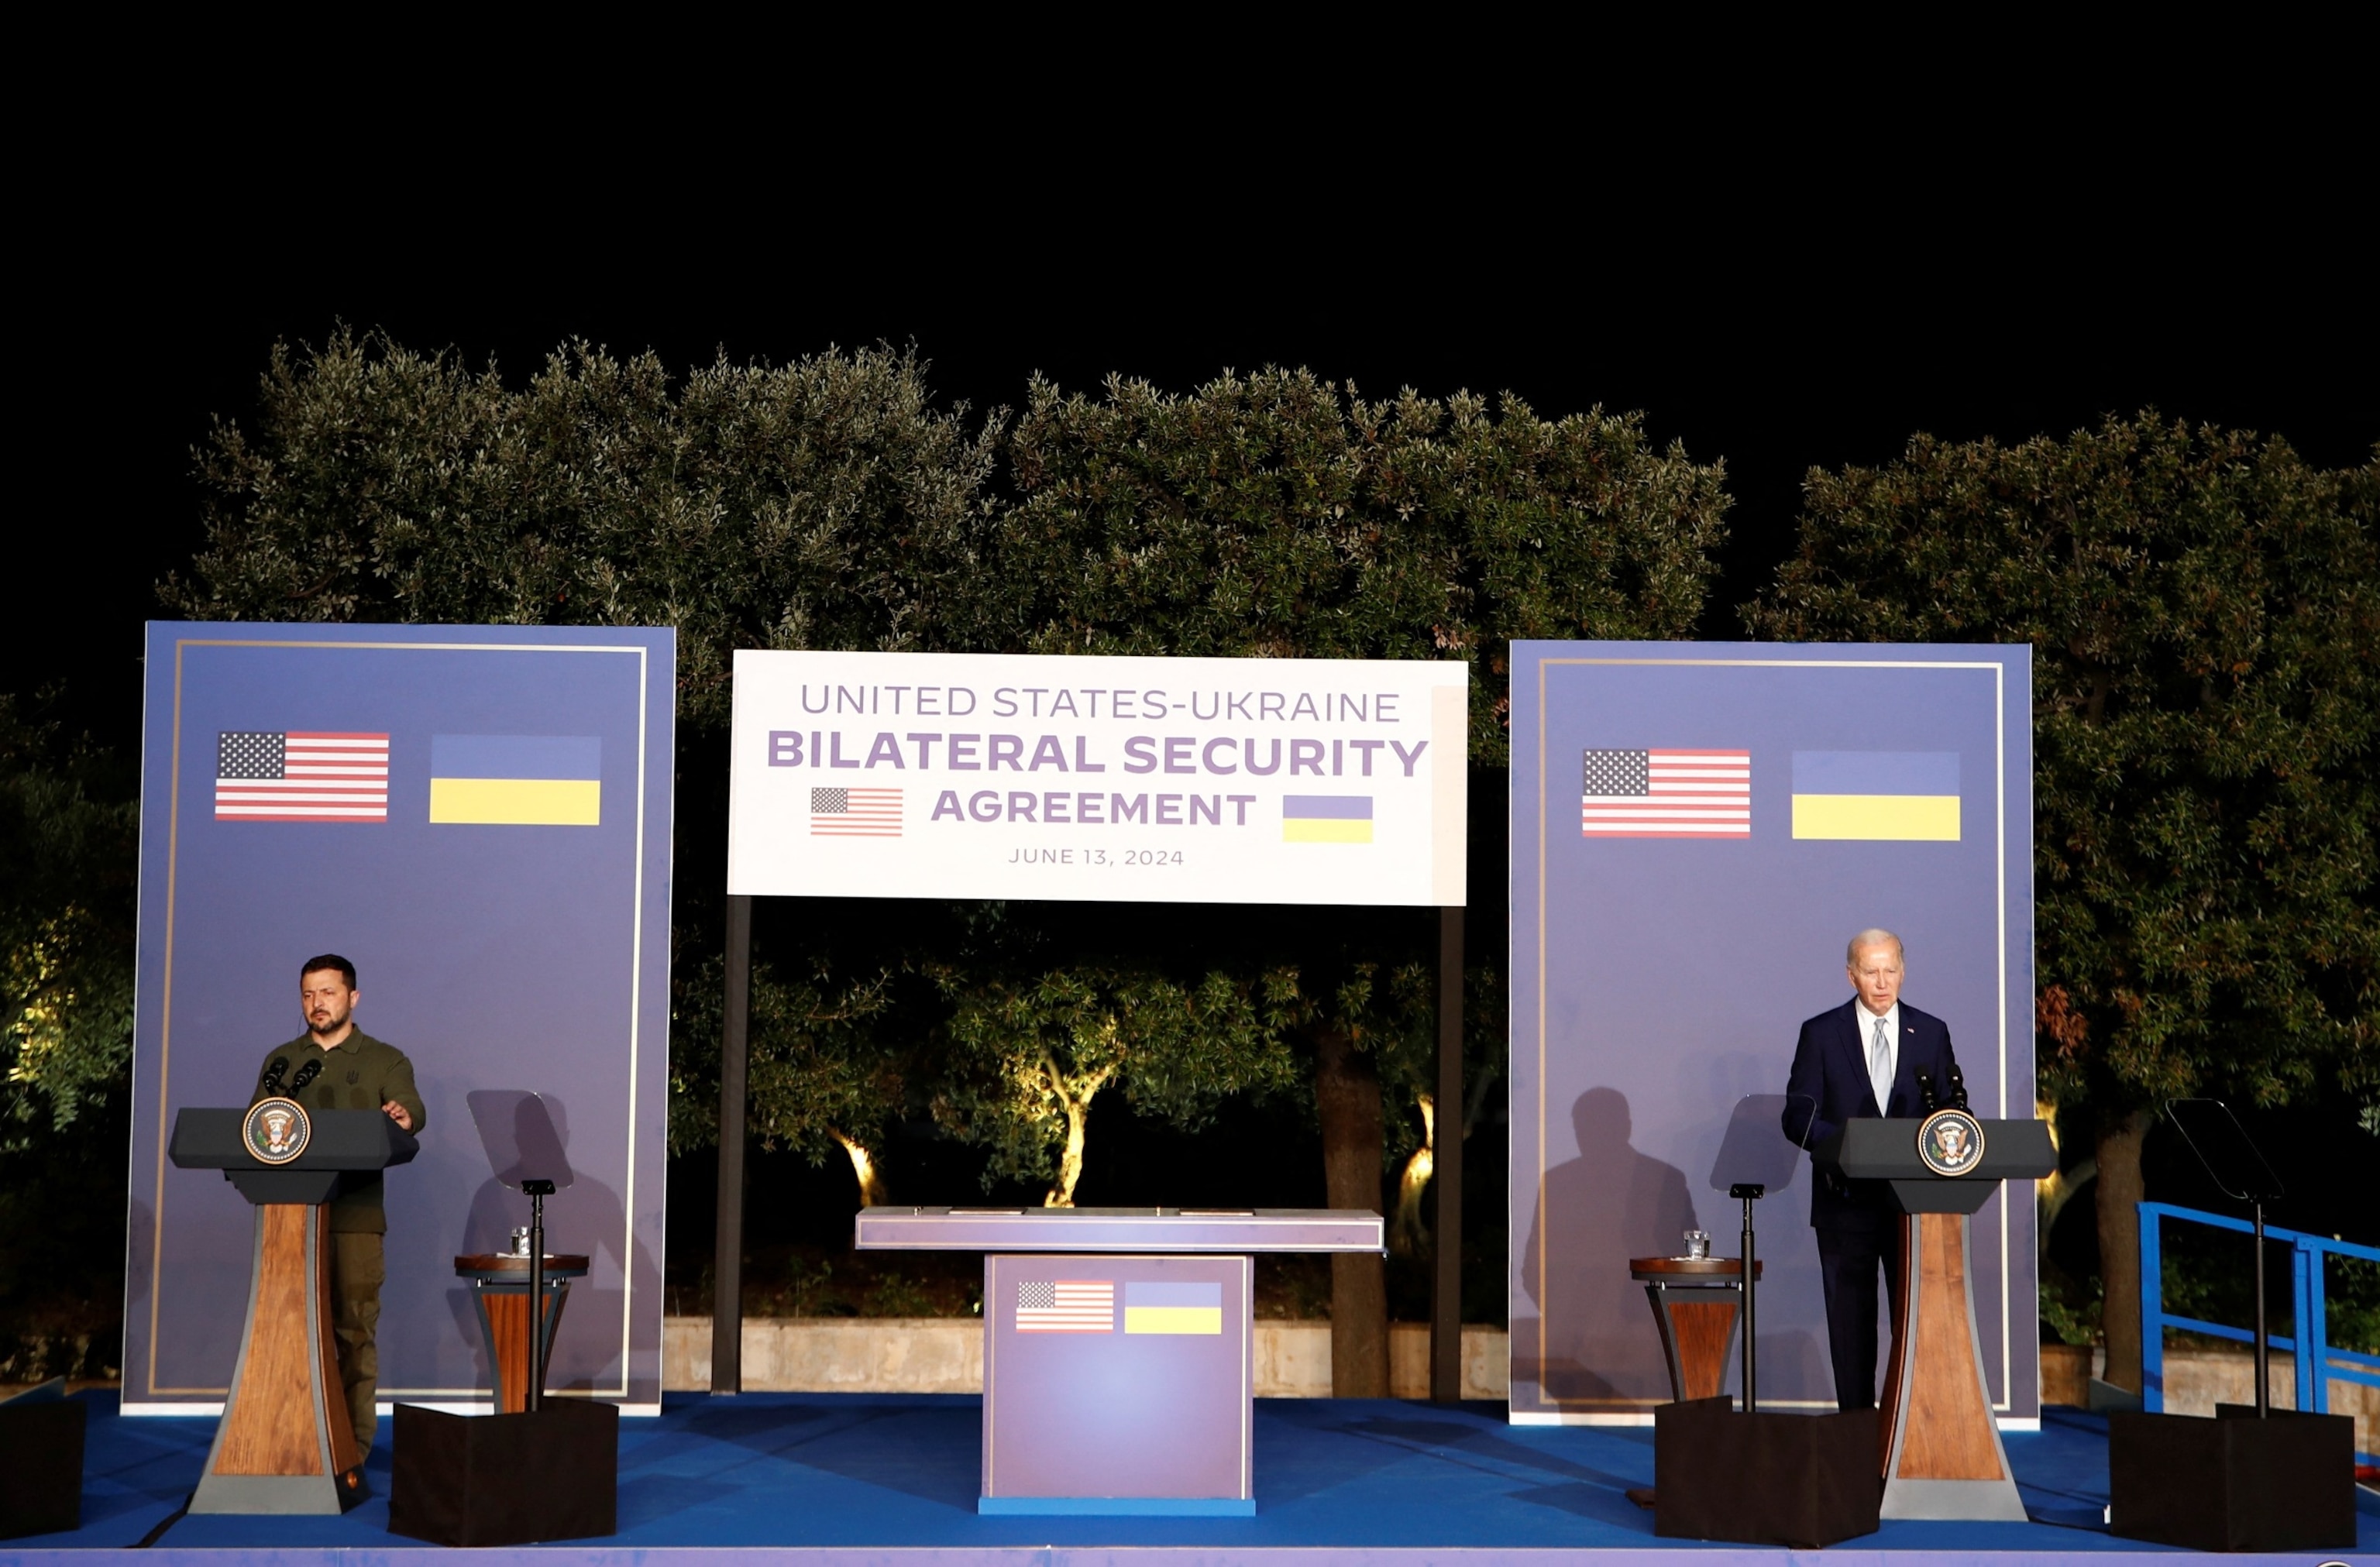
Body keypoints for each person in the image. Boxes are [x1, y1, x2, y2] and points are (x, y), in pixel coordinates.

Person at [250, 954, 425, 1457]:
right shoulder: (283, 1062)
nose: (316, 1003)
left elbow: (410, 1107)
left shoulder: (382, 1059)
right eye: (308, 994)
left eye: (327, 992)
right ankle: (288, 1437)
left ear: (352, 996)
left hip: (355, 1218)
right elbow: (256, 1128)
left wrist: (401, 1115)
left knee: (352, 1331)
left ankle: (352, 1444)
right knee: (288, 1332)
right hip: (288, 1220)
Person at [1781, 929, 1960, 1413]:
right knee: (1852, 1331)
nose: (1882, 983)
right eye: (1870, 972)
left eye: (1890, 971)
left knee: (1915, 1327)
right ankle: (1857, 1437)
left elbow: (1951, 1113)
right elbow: (1797, 1118)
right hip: (1845, 1208)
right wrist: (1845, 1144)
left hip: (1914, 1208)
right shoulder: (1820, 1033)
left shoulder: (1932, 1032)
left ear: (1903, 972)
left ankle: (1909, 1435)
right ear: (1851, 975)